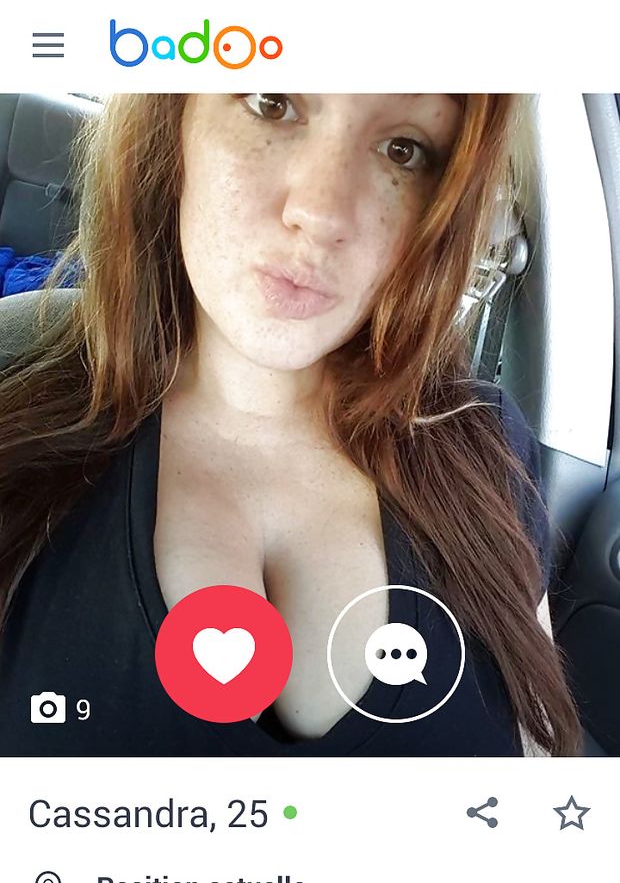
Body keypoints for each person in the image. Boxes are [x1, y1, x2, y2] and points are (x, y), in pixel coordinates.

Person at [0, 93, 582, 756]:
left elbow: (541, 759)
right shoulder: (14, 417)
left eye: (404, 151)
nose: (322, 214)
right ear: (171, 123)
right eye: (271, 104)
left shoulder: (485, 448)